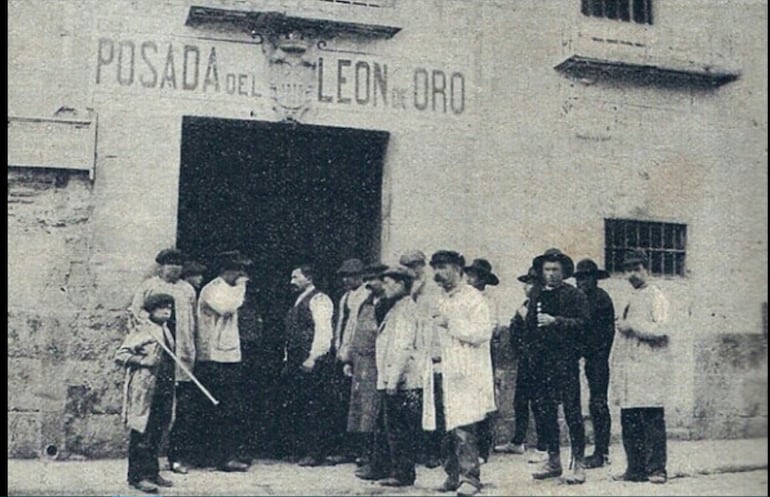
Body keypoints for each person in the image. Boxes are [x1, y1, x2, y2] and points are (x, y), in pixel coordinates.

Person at [430, 250, 496, 497]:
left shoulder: (473, 298)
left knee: (464, 425)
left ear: (459, 269)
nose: (439, 272)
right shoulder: (441, 298)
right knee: (446, 427)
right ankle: (452, 474)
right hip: (445, 368)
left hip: (468, 370)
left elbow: (482, 333)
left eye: (444, 266)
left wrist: (452, 324)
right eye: (435, 267)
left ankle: (470, 478)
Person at [127, 248, 197, 474]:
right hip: (158, 356)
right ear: (161, 266)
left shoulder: (187, 290)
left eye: (178, 263)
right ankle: (145, 468)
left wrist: (191, 349)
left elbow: (193, 322)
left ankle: (175, 458)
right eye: (169, 263)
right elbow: (135, 314)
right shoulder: (149, 286)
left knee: (178, 412)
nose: (174, 267)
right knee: (150, 415)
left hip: (182, 356)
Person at [527, 248, 589, 484]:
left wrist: (557, 322)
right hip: (541, 363)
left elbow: (584, 324)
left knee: (572, 413)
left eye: (555, 269)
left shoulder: (574, 295)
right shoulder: (536, 293)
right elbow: (530, 326)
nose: (551, 274)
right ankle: (553, 461)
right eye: (547, 269)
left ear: (564, 272)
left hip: (565, 361)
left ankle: (579, 463)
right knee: (545, 412)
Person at [614, 249, 671, 484]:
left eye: (637, 269)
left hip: (648, 368)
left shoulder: (657, 296)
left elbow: (662, 330)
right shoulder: (630, 297)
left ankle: (657, 469)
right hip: (629, 369)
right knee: (630, 419)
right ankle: (635, 470)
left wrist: (632, 325)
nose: (632, 274)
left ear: (647, 269)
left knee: (651, 419)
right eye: (628, 270)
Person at [195, 251, 252, 472]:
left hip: (229, 355)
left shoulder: (227, 289)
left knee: (231, 407)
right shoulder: (212, 289)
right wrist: (241, 286)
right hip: (214, 357)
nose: (242, 275)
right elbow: (227, 307)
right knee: (220, 408)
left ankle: (227, 454)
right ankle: (221, 458)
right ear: (228, 270)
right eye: (239, 270)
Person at [115, 293, 177, 494]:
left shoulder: (166, 331)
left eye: (169, 307)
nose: (166, 311)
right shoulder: (143, 331)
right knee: (142, 432)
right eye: (161, 308)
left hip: (164, 387)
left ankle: (152, 472)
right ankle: (137, 477)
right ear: (151, 310)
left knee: (158, 431)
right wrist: (143, 361)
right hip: (145, 388)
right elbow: (121, 354)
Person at [374, 265, 426, 487]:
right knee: (395, 427)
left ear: (402, 284)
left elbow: (403, 347)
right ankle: (398, 470)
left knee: (399, 428)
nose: (385, 286)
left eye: (389, 282)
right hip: (397, 378)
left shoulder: (405, 310)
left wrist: (392, 380)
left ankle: (402, 473)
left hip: (403, 380)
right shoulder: (398, 308)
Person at [282, 263, 335, 467]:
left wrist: (313, 357)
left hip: (312, 361)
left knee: (314, 407)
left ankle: (315, 452)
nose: (292, 282)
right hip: (298, 360)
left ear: (309, 278)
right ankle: (303, 449)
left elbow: (323, 331)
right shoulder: (299, 299)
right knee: (300, 405)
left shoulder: (320, 299)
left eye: (296, 277)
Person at [494, 267, 548, 463]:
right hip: (526, 359)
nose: (527, 287)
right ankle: (518, 441)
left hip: (541, 361)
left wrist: (526, 316)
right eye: (526, 283)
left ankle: (544, 446)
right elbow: (516, 331)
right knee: (520, 400)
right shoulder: (526, 304)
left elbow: (542, 331)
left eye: (532, 283)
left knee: (540, 403)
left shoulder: (544, 304)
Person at [400, 249, 444, 469]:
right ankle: (421, 449)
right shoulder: (411, 287)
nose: (410, 271)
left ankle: (434, 452)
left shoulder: (433, 288)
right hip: (415, 349)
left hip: (430, 350)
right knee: (416, 403)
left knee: (433, 403)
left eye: (412, 266)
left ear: (420, 265)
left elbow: (436, 321)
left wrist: (436, 350)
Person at [573, 258, 616, 469]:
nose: (582, 282)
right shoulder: (580, 297)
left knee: (598, 403)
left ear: (595, 279)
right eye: (579, 278)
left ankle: (602, 452)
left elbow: (595, 330)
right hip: (586, 355)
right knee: (591, 404)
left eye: (586, 277)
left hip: (598, 357)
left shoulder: (600, 299)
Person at [344, 263, 388, 468]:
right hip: (361, 361)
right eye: (368, 279)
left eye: (375, 279)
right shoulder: (366, 303)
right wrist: (349, 359)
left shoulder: (388, 304)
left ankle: (374, 457)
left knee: (374, 410)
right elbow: (356, 331)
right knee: (360, 409)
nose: (370, 283)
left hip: (377, 361)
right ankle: (363, 452)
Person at [329, 258, 370, 464]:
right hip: (344, 352)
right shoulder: (345, 297)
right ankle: (346, 448)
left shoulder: (367, 295)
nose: (347, 279)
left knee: (361, 405)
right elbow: (342, 324)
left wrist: (352, 355)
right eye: (345, 276)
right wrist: (339, 348)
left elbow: (358, 327)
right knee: (343, 403)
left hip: (359, 355)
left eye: (352, 275)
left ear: (361, 276)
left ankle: (362, 450)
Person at [463, 258, 501, 464]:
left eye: (476, 276)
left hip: (483, 355)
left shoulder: (489, 301)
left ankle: (482, 451)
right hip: (463, 354)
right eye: (469, 275)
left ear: (484, 279)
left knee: (484, 401)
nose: (471, 279)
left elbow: (491, 327)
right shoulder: (462, 298)